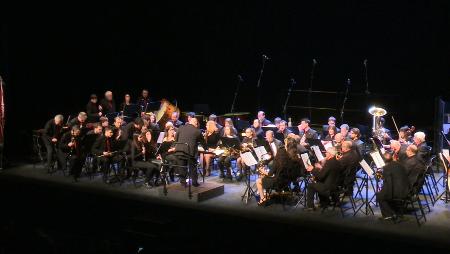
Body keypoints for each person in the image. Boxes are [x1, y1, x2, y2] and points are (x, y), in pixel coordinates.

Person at [255, 137, 304, 205]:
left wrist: (262, 171)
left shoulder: (280, 157)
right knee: (267, 177)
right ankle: (269, 193)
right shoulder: (296, 156)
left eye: (285, 144)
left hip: (278, 182)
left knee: (258, 181)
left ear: (287, 146)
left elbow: (270, 174)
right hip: (288, 181)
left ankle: (262, 198)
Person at [165, 118, 205, 187]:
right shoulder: (197, 131)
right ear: (195, 123)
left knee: (182, 167)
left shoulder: (181, 128)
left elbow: (176, 139)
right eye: (197, 124)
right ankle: (194, 182)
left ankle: (183, 183)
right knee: (193, 167)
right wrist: (206, 149)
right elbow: (203, 142)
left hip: (179, 150)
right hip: (190, 152)